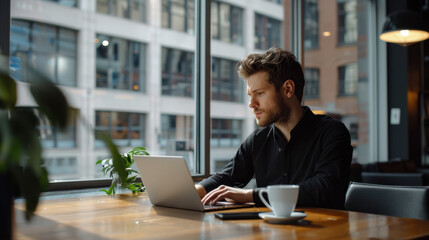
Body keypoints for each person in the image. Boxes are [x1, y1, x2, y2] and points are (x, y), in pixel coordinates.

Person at [195, 48, 352, 209]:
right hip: (272, 232)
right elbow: (227, 177)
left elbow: (325, 188)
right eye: (251, 95)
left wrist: (250, 195)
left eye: (260, 93)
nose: (252, 104)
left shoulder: (332, 133)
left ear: (288, 89)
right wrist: (196, 191)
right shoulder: (258, 139)